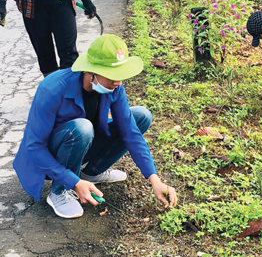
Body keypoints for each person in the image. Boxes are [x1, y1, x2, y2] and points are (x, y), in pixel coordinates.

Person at [13, 34, 178, 219]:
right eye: (112, 77)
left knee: (141, 116)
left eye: (121, 76)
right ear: (91, 72)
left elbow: (130, 132)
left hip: (84, 144)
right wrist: (73, 181)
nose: (118, 82)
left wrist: (154, 179)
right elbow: (34, 147)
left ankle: (91, 174)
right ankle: (60, 191)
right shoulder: (52, 88)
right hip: (49, 157)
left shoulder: (114, 87)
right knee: (82, 128)